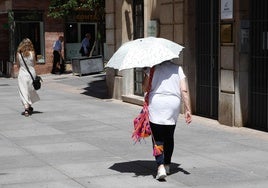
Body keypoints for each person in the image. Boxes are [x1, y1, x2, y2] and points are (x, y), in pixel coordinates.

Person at [142, 60, 192, 180]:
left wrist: (145, 73)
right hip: (172, 106)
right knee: (169, 136)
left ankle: (160, 166)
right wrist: (188, 109)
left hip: (156, 105)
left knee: (158, 138)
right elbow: (184, 90)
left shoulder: (152, 69)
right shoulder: (178, 69)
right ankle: (168, 164)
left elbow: (144, 88)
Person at [16, 38, 40, 117]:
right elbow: (34, 64)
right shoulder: (32, 53)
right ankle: (28, 107)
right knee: (30, 90)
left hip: (22, 74)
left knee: (23, 91)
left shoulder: (19, 54)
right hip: (31, 73)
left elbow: (18, 65)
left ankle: (26, 108)